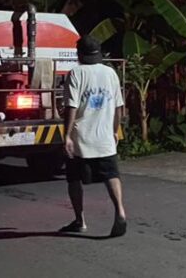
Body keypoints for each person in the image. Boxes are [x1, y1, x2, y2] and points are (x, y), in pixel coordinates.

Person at [60, 35, 127, 237]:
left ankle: (80, 220)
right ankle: (121, 212)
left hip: (81, 137)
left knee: (74, 180)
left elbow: (71, 107)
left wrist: (67, 135)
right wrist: (115, 131)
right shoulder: (110, 73)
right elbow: (119, 107)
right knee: (111, 176)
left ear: (79, 54)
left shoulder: (76, 73)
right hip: (105, 137)